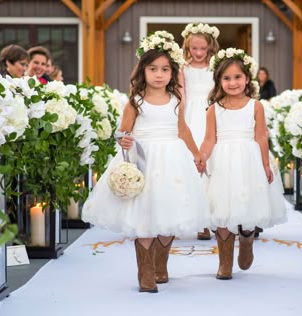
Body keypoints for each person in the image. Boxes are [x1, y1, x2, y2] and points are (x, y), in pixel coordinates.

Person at [82, 31, 210, 293]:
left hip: (173, 159)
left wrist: (196, 153)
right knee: (145, 214)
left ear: (173, 73)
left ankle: (161, 264)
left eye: (165, 69)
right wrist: (124, 140)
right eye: (153, 69)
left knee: (169, 210)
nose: (159, 74)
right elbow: (123, 132)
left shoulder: (176, 100)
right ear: (143, 71)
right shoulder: (135, 101)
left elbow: (182, 129)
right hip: (144, 160)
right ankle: (146, 273)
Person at [199, 48, 286, 280]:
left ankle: (247, 240)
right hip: (222, 161)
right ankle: (224, 262)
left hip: (248, 160)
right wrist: (201, 158)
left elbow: (261, 137)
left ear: (247, 79)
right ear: (219, 81)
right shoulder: (213, 109)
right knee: (222, 209)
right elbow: (209, 139)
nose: (233, 82)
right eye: (226, 78)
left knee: (247, 205)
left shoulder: (255, 106)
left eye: (237, 77)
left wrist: (266, 165)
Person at [179, 22, 220, 241]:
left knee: (213, 162)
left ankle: (214, 216)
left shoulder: (215, 67)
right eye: (194, 48)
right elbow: (181, 94)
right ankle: (199, 220)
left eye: (203, 49)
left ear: (210, 47)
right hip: (191, 115)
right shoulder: (182, 68)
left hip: (211, 111)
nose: (198, 53)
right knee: (192, 163)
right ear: (187, 47)